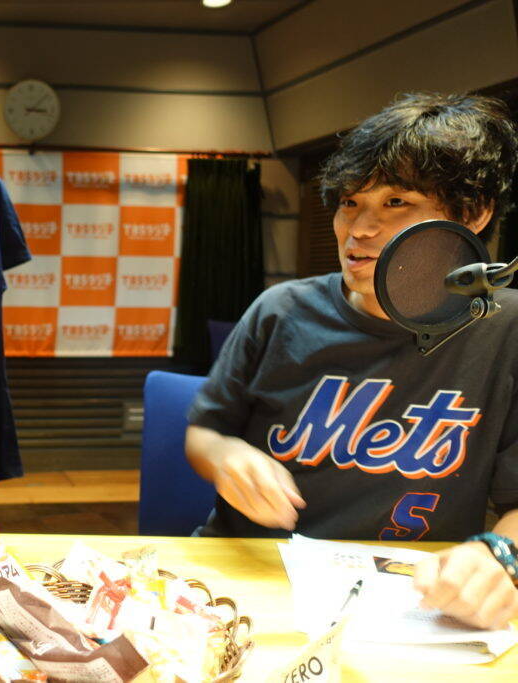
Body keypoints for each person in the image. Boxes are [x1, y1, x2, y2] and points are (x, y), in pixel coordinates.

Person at [185, 92, 518, 629]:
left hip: (413, 599)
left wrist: (500, 555)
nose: (358, 229)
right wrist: (225, 456)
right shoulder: (280, 311)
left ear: (473, 213)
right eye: (349, 202)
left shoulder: (506, 329)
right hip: (252, 582)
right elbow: (204, 432)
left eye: (396, 202)